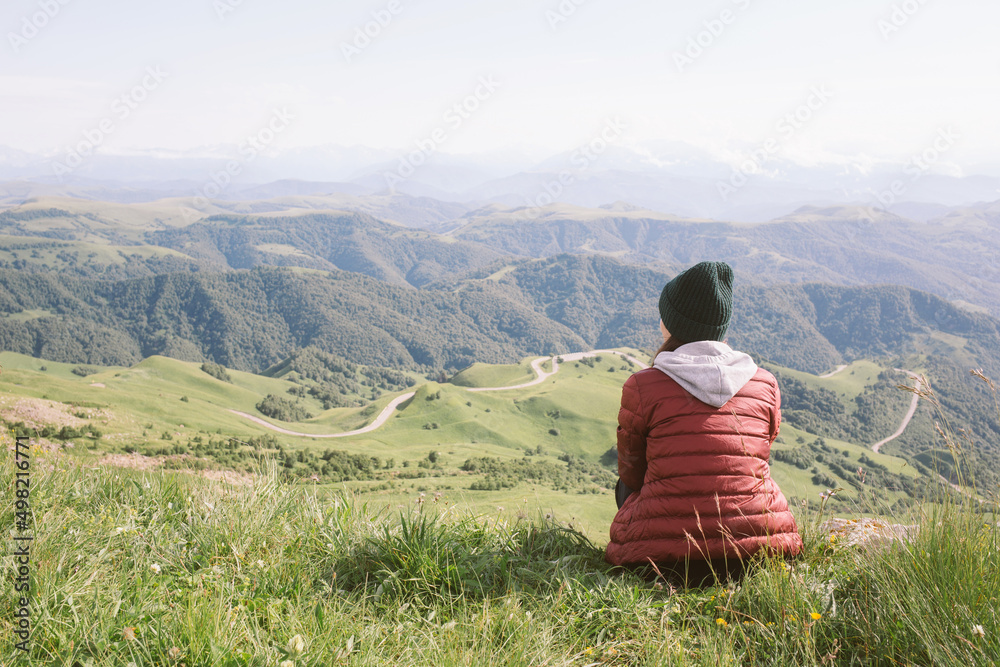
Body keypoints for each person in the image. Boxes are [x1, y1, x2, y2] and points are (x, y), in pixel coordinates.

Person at [605, 261, 802, 585]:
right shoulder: (764, 383)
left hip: (661, 561)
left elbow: (631, 471)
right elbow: (764, 447)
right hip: (758, 553)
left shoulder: (643, 386)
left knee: (625, 486)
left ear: (671, 324)